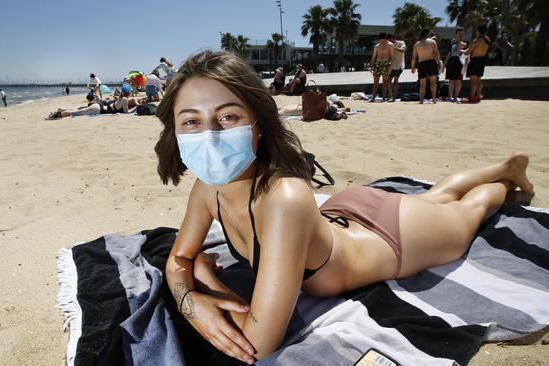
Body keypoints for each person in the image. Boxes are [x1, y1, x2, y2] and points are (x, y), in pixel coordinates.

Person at [154, 50, 537, 363]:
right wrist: (191, 289)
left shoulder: (283, 198)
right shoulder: (208, 188)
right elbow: (178, 260)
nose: (211, 135)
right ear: (174, 129)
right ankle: (502, 167)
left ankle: (504, 177)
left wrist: (199, 285)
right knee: (435, 197)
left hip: (390, 239)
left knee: (468, 213)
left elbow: (257, 343)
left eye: (228, 116)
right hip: (346, 213)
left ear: (258, 121)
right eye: (191, 121)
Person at [411, 29, 441, 103]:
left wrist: (412, 67)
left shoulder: (417, 44)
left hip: (422, 63)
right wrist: (439, 62)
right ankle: (434, 99)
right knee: (433, 82)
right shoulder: (432, 42)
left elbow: (414, 57)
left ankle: (421, 100)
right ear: (427, 34)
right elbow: (436, 54)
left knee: (422, 84)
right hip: (431, 62)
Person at [463, 24, 491, 103]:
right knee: (479, 79)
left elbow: (467, 52)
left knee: (473, 81)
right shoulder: (488, 39)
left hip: (475, 60)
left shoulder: (476, 41)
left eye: (476, 30)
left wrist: (461, 50)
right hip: (482, 60)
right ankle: (477, 96)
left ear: (478, 31)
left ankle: (471, 97)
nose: (475, 31)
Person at [442, 28, 467, 102]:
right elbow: (449, 54)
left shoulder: (464, 41)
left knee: (458, 80)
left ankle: (455, 97)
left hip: (459, 61)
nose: (460, 35)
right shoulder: (452, 42)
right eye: (459, 34)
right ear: (456, 34)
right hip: (451, 61)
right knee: (451, 80)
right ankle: (450, 97)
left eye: (462, 34)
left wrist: (458, 40)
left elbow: (463, 46)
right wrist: (444, 66)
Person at [369, 32, 394, 102]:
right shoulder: (376, 46)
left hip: (386, 63)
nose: (382, 41)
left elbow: (392, 57)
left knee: (385, 81)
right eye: (381, 40)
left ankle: (383, 97)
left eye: (384, 40)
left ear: (386, 39)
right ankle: (373, 97)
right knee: (375, 82)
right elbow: (373, 57)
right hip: (377, 63)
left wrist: (390, 66)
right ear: (379, 39)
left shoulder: (390, 45)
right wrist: (371, 66)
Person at [386, 34, 406, 102]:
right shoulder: (388, 45)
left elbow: (403, 50)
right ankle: (390, 96)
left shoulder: (401, 42)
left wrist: (393, 47)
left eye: (389, 40)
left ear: (392, 38)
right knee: (389, 81)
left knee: (395, 81)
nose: (388, 41)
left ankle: (394, 97)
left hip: (399, 65)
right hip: (391, 66)